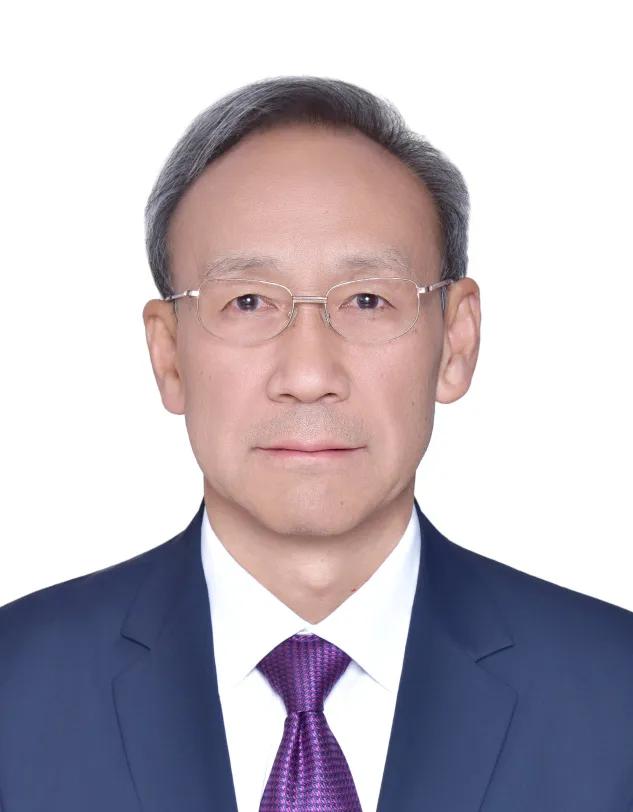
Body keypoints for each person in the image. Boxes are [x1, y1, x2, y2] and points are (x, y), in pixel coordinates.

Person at [1, 75, 632, 812]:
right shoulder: (16, 687)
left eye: (367, 300)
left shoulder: (614, 694)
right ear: (168, 354)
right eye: (247, 302)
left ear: (456, 342)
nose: (307, 376)